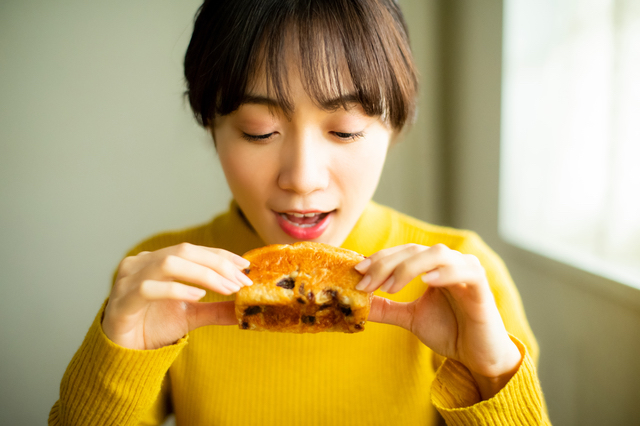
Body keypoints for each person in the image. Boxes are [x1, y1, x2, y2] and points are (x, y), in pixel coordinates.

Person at [50, 0, 549, 424]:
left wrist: (490, 375)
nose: (303, 177)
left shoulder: (463, 284)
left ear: (394, 126)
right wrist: (118, 356)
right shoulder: (164, 285)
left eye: (346, 129)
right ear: (212, 128)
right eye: (259, 131)